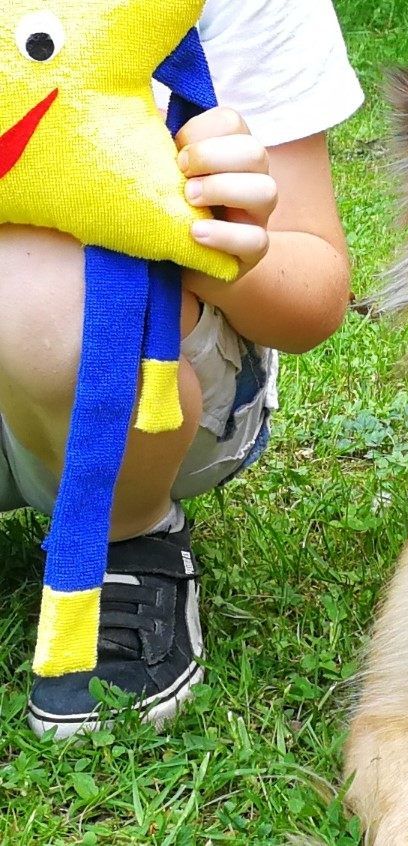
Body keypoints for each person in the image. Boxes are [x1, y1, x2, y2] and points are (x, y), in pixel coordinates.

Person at [0, 0, 363, 738]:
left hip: (139, 386)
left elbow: (315, 300)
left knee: (35, 283)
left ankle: (129, 536)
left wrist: (204, 233)